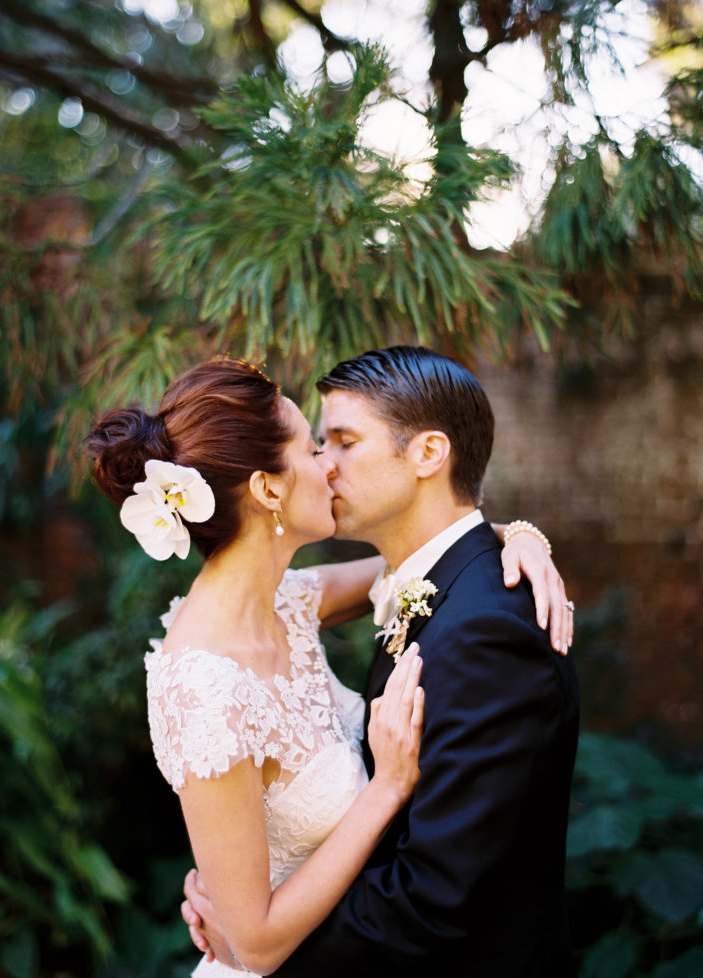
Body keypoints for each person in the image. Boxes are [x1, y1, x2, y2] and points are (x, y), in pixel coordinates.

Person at [87, 353, 572, 978]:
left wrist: (522, 535)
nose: (328, 465)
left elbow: (427, 566)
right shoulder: (203, 680)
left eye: (339, 442)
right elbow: (254, 942)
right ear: (266, 489)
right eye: (315, 448)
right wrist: (386, 787)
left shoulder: (288, 603)